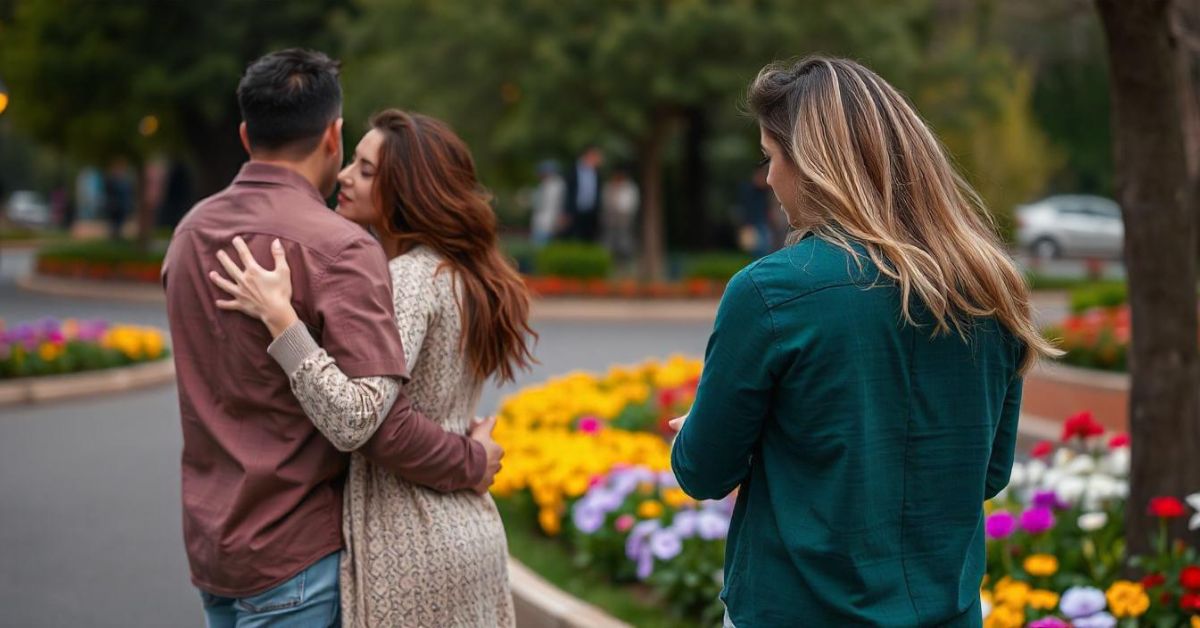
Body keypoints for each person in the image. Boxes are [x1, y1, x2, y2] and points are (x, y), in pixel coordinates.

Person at [669, 56, 1060, 627]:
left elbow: (703, 472)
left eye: (771, 157)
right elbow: (988, 473)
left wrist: (706, 431)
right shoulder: (990, 287)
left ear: (813, 165)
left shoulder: (771, 292)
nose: (770, 178)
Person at [161, 50, 502, 627]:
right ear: (333, 135)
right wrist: (472, 460)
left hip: (213, 544)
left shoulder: (190, 234)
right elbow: (377, 423)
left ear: (246, 135)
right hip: (297, 553)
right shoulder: (342, 248)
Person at [601, 167, 639, 275]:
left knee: (625, 246)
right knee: (608, 246)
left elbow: (631, 205)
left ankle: (624, 269)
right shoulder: (608, 186)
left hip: (624, 220)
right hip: (610, 220)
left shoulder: (630, 188)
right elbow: (605, 203)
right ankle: (609, 268)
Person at [563, 146, 604, 241]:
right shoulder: (574, 171)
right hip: (575, 211)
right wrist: (566, 211)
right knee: (573, 236)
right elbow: (568, 192)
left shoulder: (597, 173)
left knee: (588, 237)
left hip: (591, 212)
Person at [530, 159, 565, 247]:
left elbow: (557, 206)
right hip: (542, 224)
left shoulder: (557, 186)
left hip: (549, 224)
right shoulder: (543, 185)